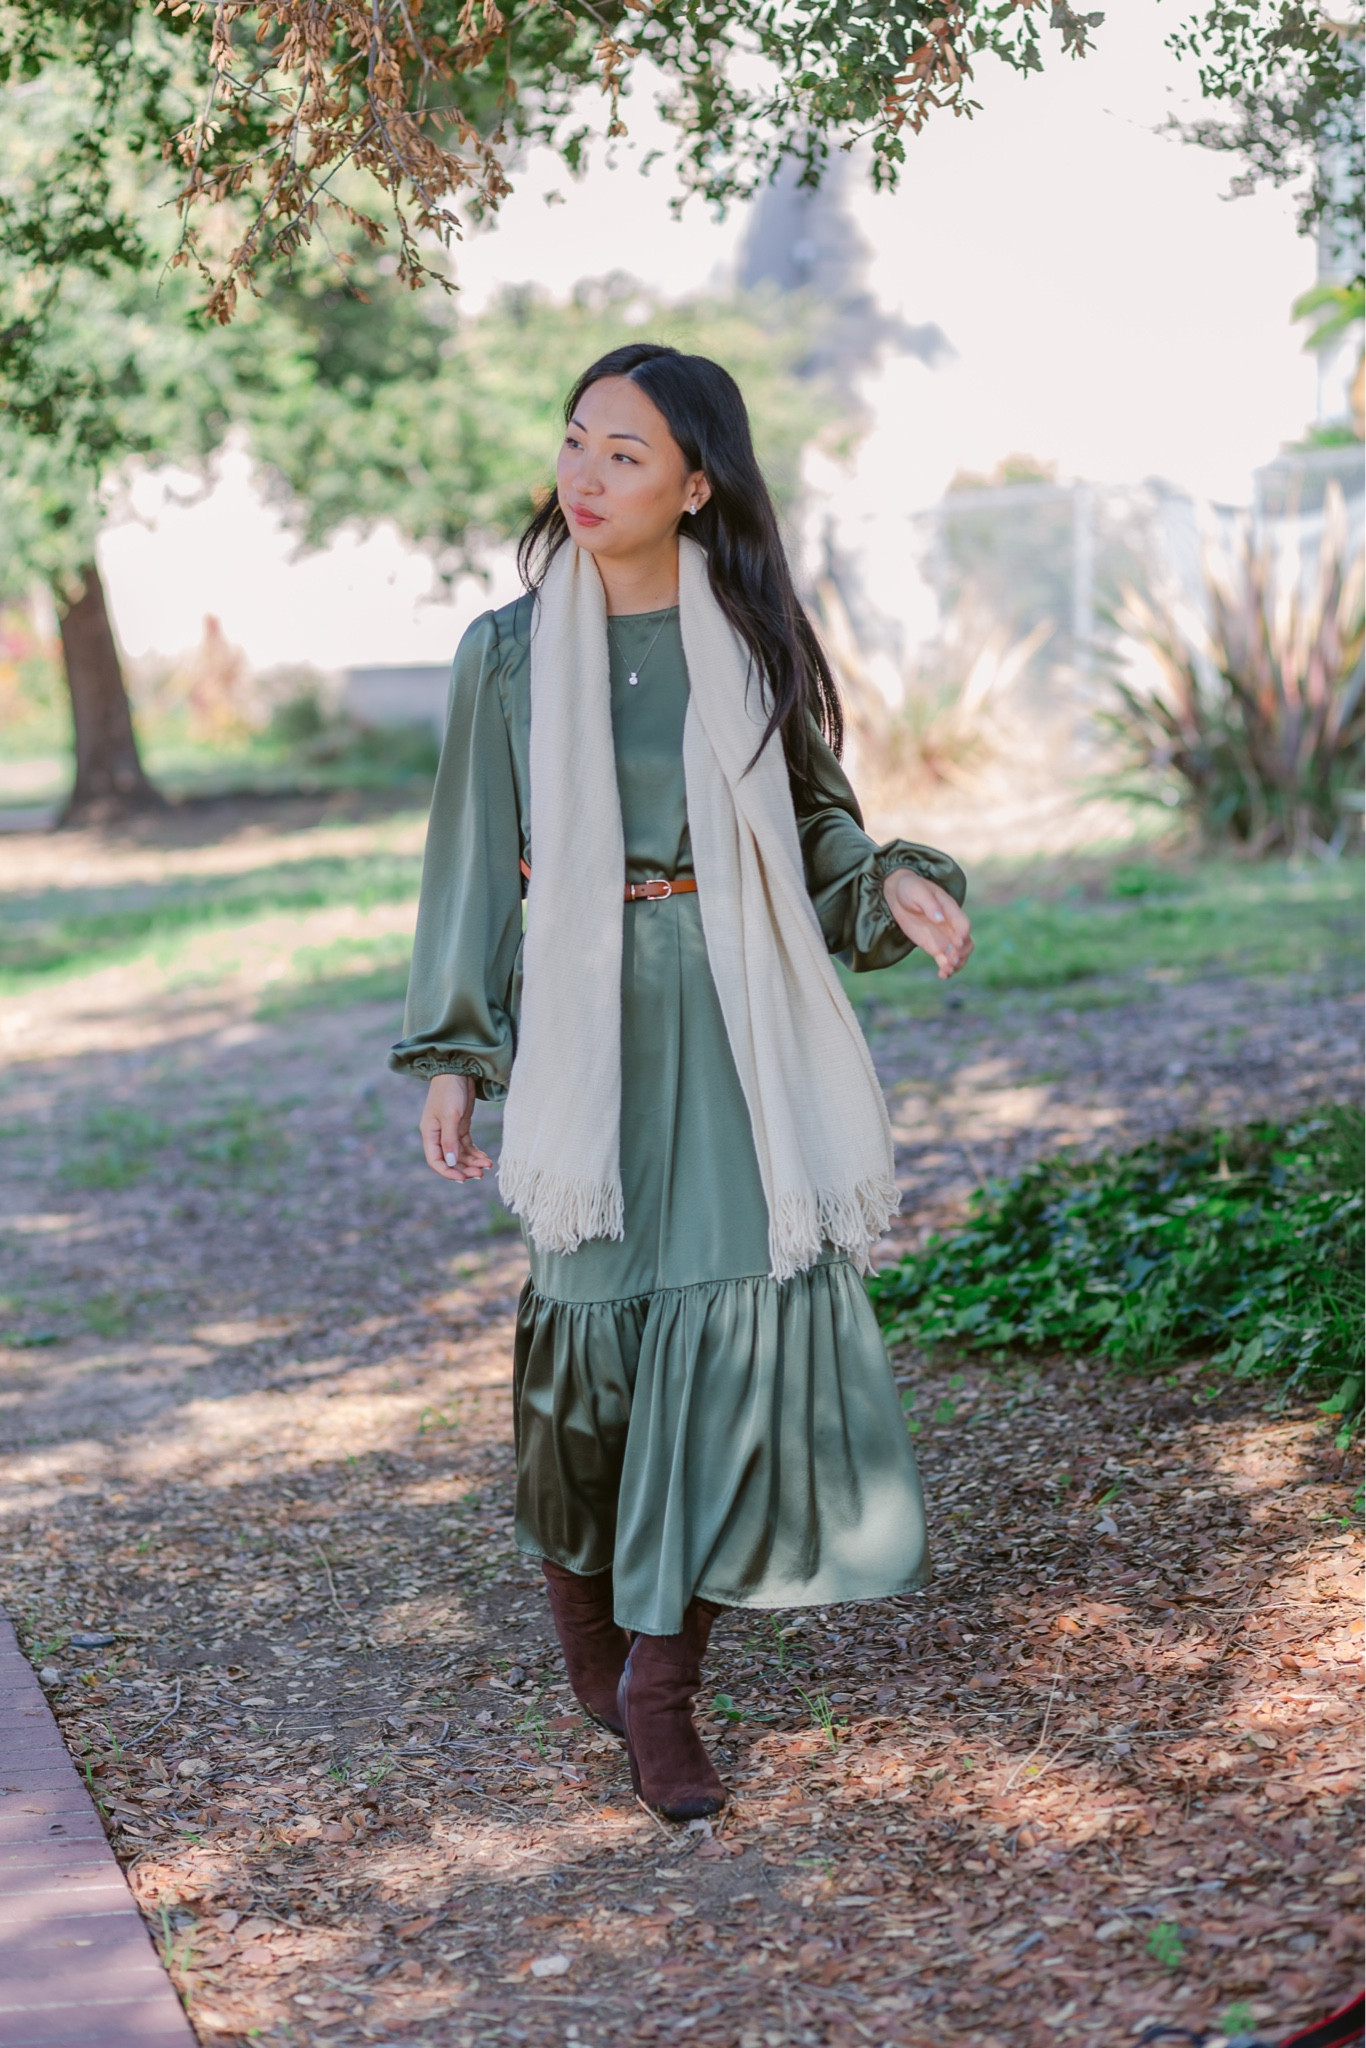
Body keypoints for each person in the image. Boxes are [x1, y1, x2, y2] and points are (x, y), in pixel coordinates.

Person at [390, 343, 973, 1822]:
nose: (583, 475)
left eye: (626, 453)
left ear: (697, 487)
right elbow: (471, 866)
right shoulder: (506, 653)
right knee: (586, 1360)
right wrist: (457, 1054)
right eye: (575, 439)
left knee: (732, 1345)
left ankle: (662, 1683)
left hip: (734, 1028)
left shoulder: (751, 644)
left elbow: (819, 834)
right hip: (587, 1029)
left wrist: (893, 884)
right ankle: (587, 1625)